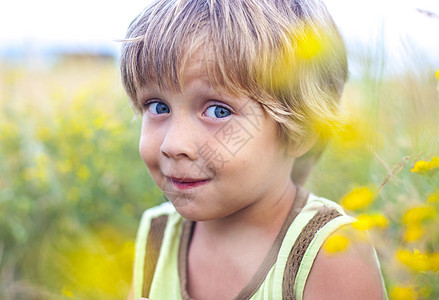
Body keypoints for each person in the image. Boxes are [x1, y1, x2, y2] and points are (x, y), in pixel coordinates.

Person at [120, 0, 387, 299]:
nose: (173, 145)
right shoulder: (157, 233)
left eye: (218, 111)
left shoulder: (332, 252)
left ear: (301, 131)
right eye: (158, 107)